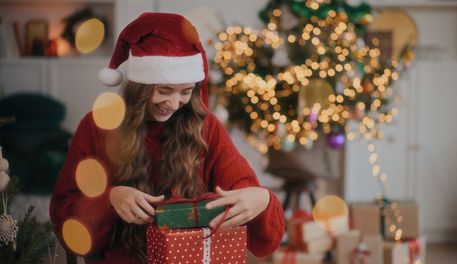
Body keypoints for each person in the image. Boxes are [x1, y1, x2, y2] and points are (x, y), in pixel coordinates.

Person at [50, 12, 285, 264]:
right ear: (140, 87)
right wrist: (110, 198)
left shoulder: (205, 127)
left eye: (185, 92)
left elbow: (261, 225)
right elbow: (65, 215)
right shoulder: (98, 126)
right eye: (164, 91)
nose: (174, 104)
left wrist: (262, 199)